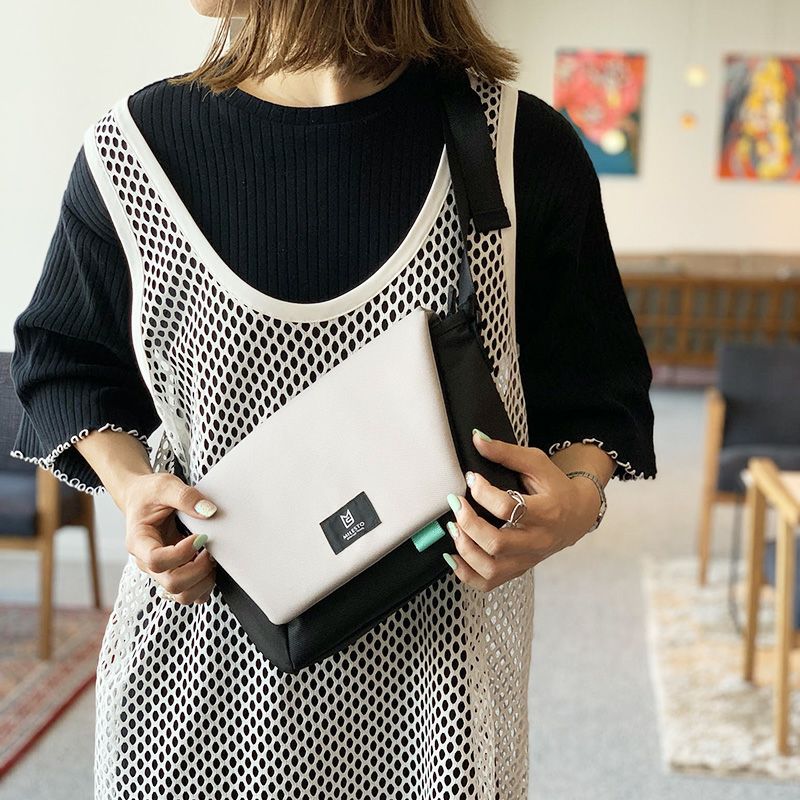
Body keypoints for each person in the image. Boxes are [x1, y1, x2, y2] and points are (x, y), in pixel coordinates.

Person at [8, 1, 657, 797]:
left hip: (437, 722)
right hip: (186, 707)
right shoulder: (132, 155)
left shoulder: (517, 148)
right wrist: (132, 485)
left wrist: (573, 507)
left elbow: (601, 392)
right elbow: (60, 358)